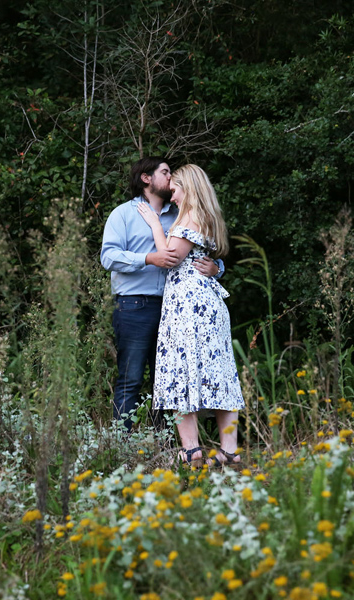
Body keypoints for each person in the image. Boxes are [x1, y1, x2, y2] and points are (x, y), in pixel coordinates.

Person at [101, 157, 223, 433]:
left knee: (169, 378)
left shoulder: (180, 212)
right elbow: (108, 257)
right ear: (146, 178)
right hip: (134, 305)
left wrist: (218, 268)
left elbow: (200, 250)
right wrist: (148, 258)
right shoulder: (123, 214)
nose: (170, 178)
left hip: (176, 308)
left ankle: (163, 443)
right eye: (165, 172)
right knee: (131, 378)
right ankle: (122, 443)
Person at [135, 164, 245, 467]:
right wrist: (217, 269)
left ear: (189, 189)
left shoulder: (191, 217)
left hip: (188, 306)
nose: (172, 197)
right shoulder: (206, 217)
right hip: (205, 304)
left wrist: (155, 224)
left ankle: (191, 450)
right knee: (217, 373)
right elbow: (204, 260)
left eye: (175, 191)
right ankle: (229, 451)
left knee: (180, 371)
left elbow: (170, 258)